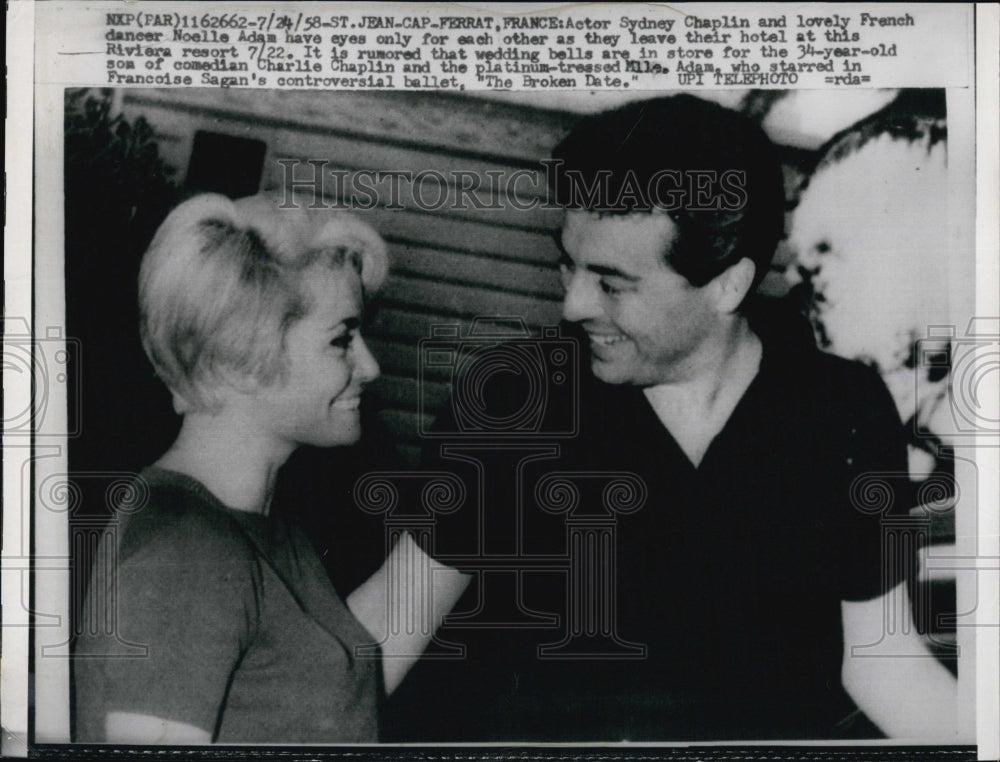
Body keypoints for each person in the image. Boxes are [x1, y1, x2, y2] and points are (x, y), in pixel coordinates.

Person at [385, 95, 958, 741]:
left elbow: (883, 663)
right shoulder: (515, 399)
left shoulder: (841, 409)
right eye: (567, 265)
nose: (573, 305)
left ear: (727, 285)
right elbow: (387, 635)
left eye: (612, 283)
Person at [73, 193, 466, 744]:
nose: (370, 366)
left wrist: (473, 503)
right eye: (341, 340)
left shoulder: (259, 530)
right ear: (240, 358)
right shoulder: (185, 555)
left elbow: (331, 690)